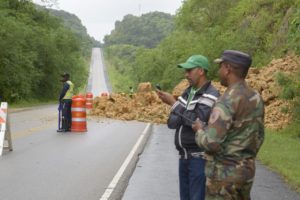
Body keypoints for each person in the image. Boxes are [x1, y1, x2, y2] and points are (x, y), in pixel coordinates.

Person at [192, 50, 265, 200]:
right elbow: (258, 134)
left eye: (220, 67)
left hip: (224, 176)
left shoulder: (226, 101)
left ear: (228, 69)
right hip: (246, 173)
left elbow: (211, 143)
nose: (219, 71)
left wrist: (199, 131)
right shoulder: (255, 97)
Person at [157, 55, 220, 200]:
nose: (186, 74)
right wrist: (181, 112)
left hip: (199, 158)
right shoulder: (187, 92)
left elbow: (197, 121)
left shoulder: (210, 95)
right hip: (184, 157)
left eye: (189, 71)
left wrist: (174, 105)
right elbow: (171, 122)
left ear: (201, 71)